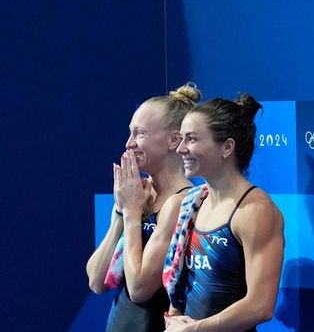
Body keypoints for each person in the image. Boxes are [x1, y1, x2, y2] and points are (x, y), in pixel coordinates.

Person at [163, 94, 284, 331]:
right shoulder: (193, 202)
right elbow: (179, 282)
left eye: (192, 139)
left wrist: (194, 330)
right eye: (181, 139)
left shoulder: (255, 211)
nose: (180, 149)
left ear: (227, 147)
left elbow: (260, 305)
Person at [86, 82, 201, 331]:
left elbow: (139, 290)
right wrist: (121, 211)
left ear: (174, 140)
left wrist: (130, 213)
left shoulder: (184, 202)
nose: (129, 143)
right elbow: (96, 281)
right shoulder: (135, 196)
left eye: (140, 134)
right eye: (130, 133)